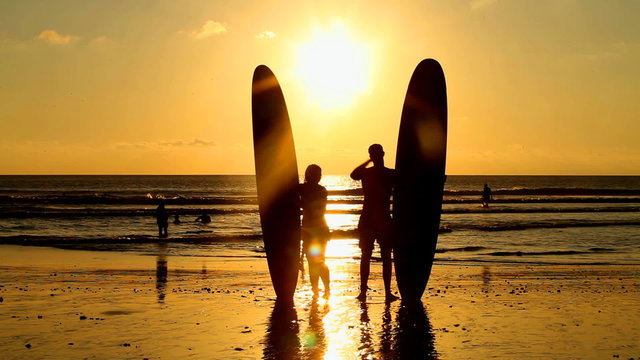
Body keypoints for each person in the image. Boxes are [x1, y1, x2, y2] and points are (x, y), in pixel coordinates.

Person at [350, 144, 398, 302]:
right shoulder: (380, 173)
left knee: (379, 255)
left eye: (375, 154)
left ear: (382, 153)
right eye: (373, 154)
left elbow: (409, 179)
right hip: (375, 218)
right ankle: (369, 292)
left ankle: (384, 292)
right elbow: (353, 174)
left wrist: (368, 161)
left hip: (375, 218)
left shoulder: (387, 173)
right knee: (375, 255)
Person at [299, 164, 331, 298]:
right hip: (309, 229)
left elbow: (320, 210)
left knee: (318, 261)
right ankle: (316, 290)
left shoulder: (322, 190)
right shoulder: (301, 188)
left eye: (319, 174)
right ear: (308, 175)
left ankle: (326, 289)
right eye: (316, 174)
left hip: (319, 229)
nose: (318, 176)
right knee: (312, 261)